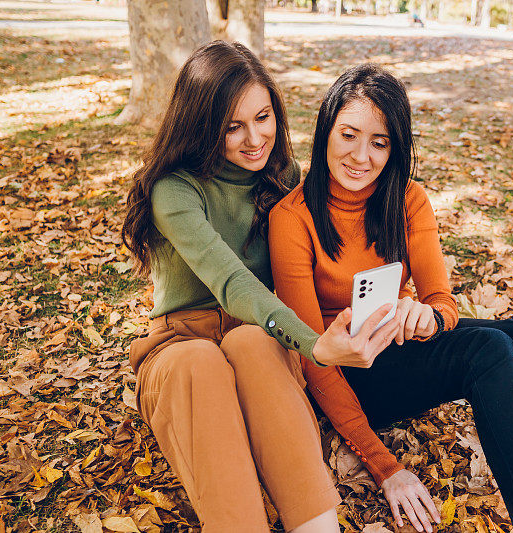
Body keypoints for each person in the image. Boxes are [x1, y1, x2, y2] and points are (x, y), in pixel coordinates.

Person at [268, 64, 513, 533]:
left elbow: (442, 300)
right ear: (325, 132)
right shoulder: (292, 217)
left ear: (395, 148)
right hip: (350, 376)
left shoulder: (407, 200)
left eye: (379, 142)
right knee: (490, 349)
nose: (361, 156)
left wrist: (428, 318)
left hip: (400, 349)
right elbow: (312, 356)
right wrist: (386, 467)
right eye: (349, 135)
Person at [121, 43, 402, 533]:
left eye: (263, 117)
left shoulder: (285, 178)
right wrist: (316, 345)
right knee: (201, 362)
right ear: (202, 125)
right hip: (179, 344)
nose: (255, 138)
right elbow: (231, 282)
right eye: (233, 126)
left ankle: (317, 526)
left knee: (250, 339)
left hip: (260, 337)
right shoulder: (174, 189)